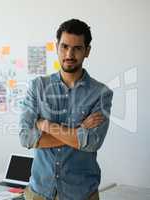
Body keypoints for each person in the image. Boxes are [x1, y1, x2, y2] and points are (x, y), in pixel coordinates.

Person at [19, 19, 113, 200]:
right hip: (38, 193)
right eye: (64, 46)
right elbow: (26, 137)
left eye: (77, 48)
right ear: (56, 47)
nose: (69, 54)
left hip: (81, 195)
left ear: (87, 51)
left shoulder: (101, 94)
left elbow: (91, 142)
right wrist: (78, 132)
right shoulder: (37, 87)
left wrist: (46, 125)